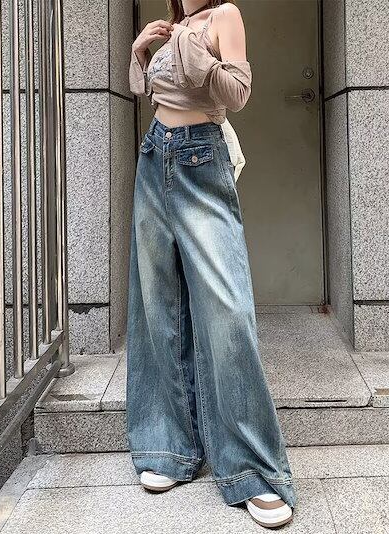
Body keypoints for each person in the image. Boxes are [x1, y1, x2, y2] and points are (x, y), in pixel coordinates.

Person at [127, 0, 297, 528]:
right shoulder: (175, 25)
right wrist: (141, 52)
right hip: (154, 157)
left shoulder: (225, 16)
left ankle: (252, 471)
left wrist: (192, 52)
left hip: (201, 159)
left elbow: (236, 94)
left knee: (227, 312)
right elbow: (152, 91)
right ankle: (167, 447)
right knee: (157, 302)